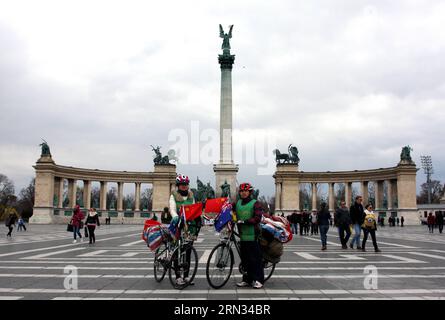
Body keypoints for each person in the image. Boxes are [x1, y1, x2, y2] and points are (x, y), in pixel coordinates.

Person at [169, 174, 201, 286]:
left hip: (188, 226)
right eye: (182, 184)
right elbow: (172, 209)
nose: (184, 186)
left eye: (186, 184)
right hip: (177, 224)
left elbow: (194, 209)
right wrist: (175, 217)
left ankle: (187, 276)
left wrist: (198, 219)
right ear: (178, 185)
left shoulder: (191, 195)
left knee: (187, 251)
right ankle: (178, 277)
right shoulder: (173, 195)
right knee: (178, 251)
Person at [232, 182, 265, 289]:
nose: (243, 193)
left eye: (246, 191)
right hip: (242, 235)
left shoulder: (256, 203)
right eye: (241, 191)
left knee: (255, 259)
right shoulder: (237, 203)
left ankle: (259, 280)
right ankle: (247, 279)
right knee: (245, 259)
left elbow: (258, 218)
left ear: (250, 192)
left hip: (253, 235)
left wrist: (245, 221)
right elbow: (231, 211)